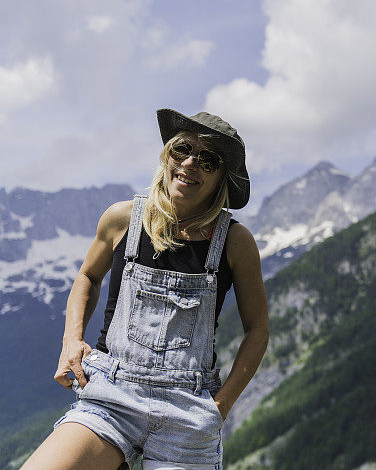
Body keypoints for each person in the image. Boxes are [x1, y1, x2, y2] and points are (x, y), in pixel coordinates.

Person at [22, 109, 269, 470]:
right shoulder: (122, 219)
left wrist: (222, 405)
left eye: (208, 160)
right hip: (111, 394)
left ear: (221, 179)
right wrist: (71, 341)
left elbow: (258, 329)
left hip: (188, 410)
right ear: (166, 154)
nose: (189, 164)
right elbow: (88, 277)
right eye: (181, 149)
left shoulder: (234, 241)